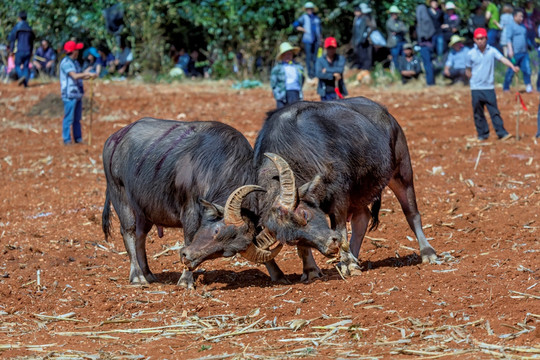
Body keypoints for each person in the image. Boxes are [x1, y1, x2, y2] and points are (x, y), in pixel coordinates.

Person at [465, 28, 518, 141]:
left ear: (486, 39)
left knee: (494, 111)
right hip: (476, 88)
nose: (480, 41)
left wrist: (512, 66)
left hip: (488, 87)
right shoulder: (470, 54)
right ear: (474, 40)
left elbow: (502, 59)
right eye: (478, 39)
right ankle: (482, 134)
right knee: (478, 113)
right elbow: (468, 69)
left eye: (482, 38)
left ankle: (501, 133)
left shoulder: (492, 51)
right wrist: (470, 78)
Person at [59, 40, 98, 145]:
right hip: (69, 94)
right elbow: (75, 76)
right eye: (77, 49)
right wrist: (87, 74)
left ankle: (78, 138)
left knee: (77, 118)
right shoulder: (66, 63)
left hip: (77, 93)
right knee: (68, 118)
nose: (78, 51)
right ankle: (67, 139)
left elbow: (80, 75)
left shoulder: (75, 62)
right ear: (73, 51)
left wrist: (90, 75)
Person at [503, 8, 533, 94]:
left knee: (527, 69)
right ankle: (506, 88)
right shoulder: (510, 26)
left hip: (524, 53)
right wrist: (510, 50)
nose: (522, 18)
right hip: (514, 53)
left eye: (522, 16)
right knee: (511, 71)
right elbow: (508, 39)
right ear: (515, 16)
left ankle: (528, 87)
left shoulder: (523, 27)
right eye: (520, 16)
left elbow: (525, 38)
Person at [270, 42, 304, 109]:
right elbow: (273, 84)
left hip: (295, 92)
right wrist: (278, 95)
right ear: (282, 56)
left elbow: (302, 79)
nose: (287, 56)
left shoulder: (298, 67)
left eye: (289, 54)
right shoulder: (277, 68)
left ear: (292, 54)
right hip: (282, 94)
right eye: (285, 54)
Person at [293, 2, 322, 79]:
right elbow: (295, 24)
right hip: (308, 40)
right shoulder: (303, 17)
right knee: (309, 57)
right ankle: (310, 74)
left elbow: (319, 29)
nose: (309, 10)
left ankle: (316, 73)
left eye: (311, 9)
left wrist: (320, 39)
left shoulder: (316, 18)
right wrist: (302, 29)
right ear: (306, 10)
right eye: (308, 9)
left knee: (315, 57)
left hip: (316, 41)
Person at [8, 11, 35, 87]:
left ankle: (21, 76)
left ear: (19, 18)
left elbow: (12, 39)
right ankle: (25, 84)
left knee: (17, 65)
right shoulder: (29, 28)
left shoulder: (17, 27)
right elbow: (32, 41)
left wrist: (11, 50)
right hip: (28, 50)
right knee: (26, 66)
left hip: (20, 50)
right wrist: (32, 50)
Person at [315, 37, 347, 101]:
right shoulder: (320, 60)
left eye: (333, 48)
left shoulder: (340, 58)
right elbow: (319, 74)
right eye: (329, 48)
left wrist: (326, 70)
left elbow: (340, 70)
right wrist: (332, 75)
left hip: (338, 91)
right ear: (326, 48)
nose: (331, 50)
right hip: (325, 92)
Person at [416, 1, 436, 86]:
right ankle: (430, 81)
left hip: (426, 45)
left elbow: (424, 24)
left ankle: (430, 82)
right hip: (425, 44)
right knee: (427, 63)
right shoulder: (423, 9)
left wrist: (422, 36)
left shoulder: (421, 8)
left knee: (428, 63)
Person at [351, 4, 376, 71]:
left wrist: (366, 35)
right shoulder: (356, 19)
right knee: (359, 55)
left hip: (364, 40)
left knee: (366, 55)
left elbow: (372, 27)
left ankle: (366, 68)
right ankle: (361, 68)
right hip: (357, 40)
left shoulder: (365, 18)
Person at [386, 5, 408, 71]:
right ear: (391, 14)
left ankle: (404, 70)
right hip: (394, 44)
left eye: (396, 13)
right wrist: (400, 29)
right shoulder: (389, 22)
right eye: (393, 13)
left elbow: (405, 29)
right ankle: (397, 72)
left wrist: (398, 30)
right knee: (395, 58)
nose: (395, 15)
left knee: (404, 57)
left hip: (401, 42)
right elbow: (395, 29)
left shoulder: (400, 22)